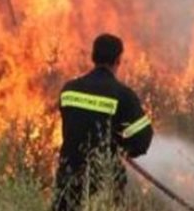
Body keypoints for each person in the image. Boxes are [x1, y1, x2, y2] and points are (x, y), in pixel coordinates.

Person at [52, 33, 154, 211]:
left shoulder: (69, 90)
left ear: (93, 56)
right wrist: (121, 147)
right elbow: (143, 137)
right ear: (118, 60)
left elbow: (75, 124)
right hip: (103, 179)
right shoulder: (123, 95)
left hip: (69, 175)